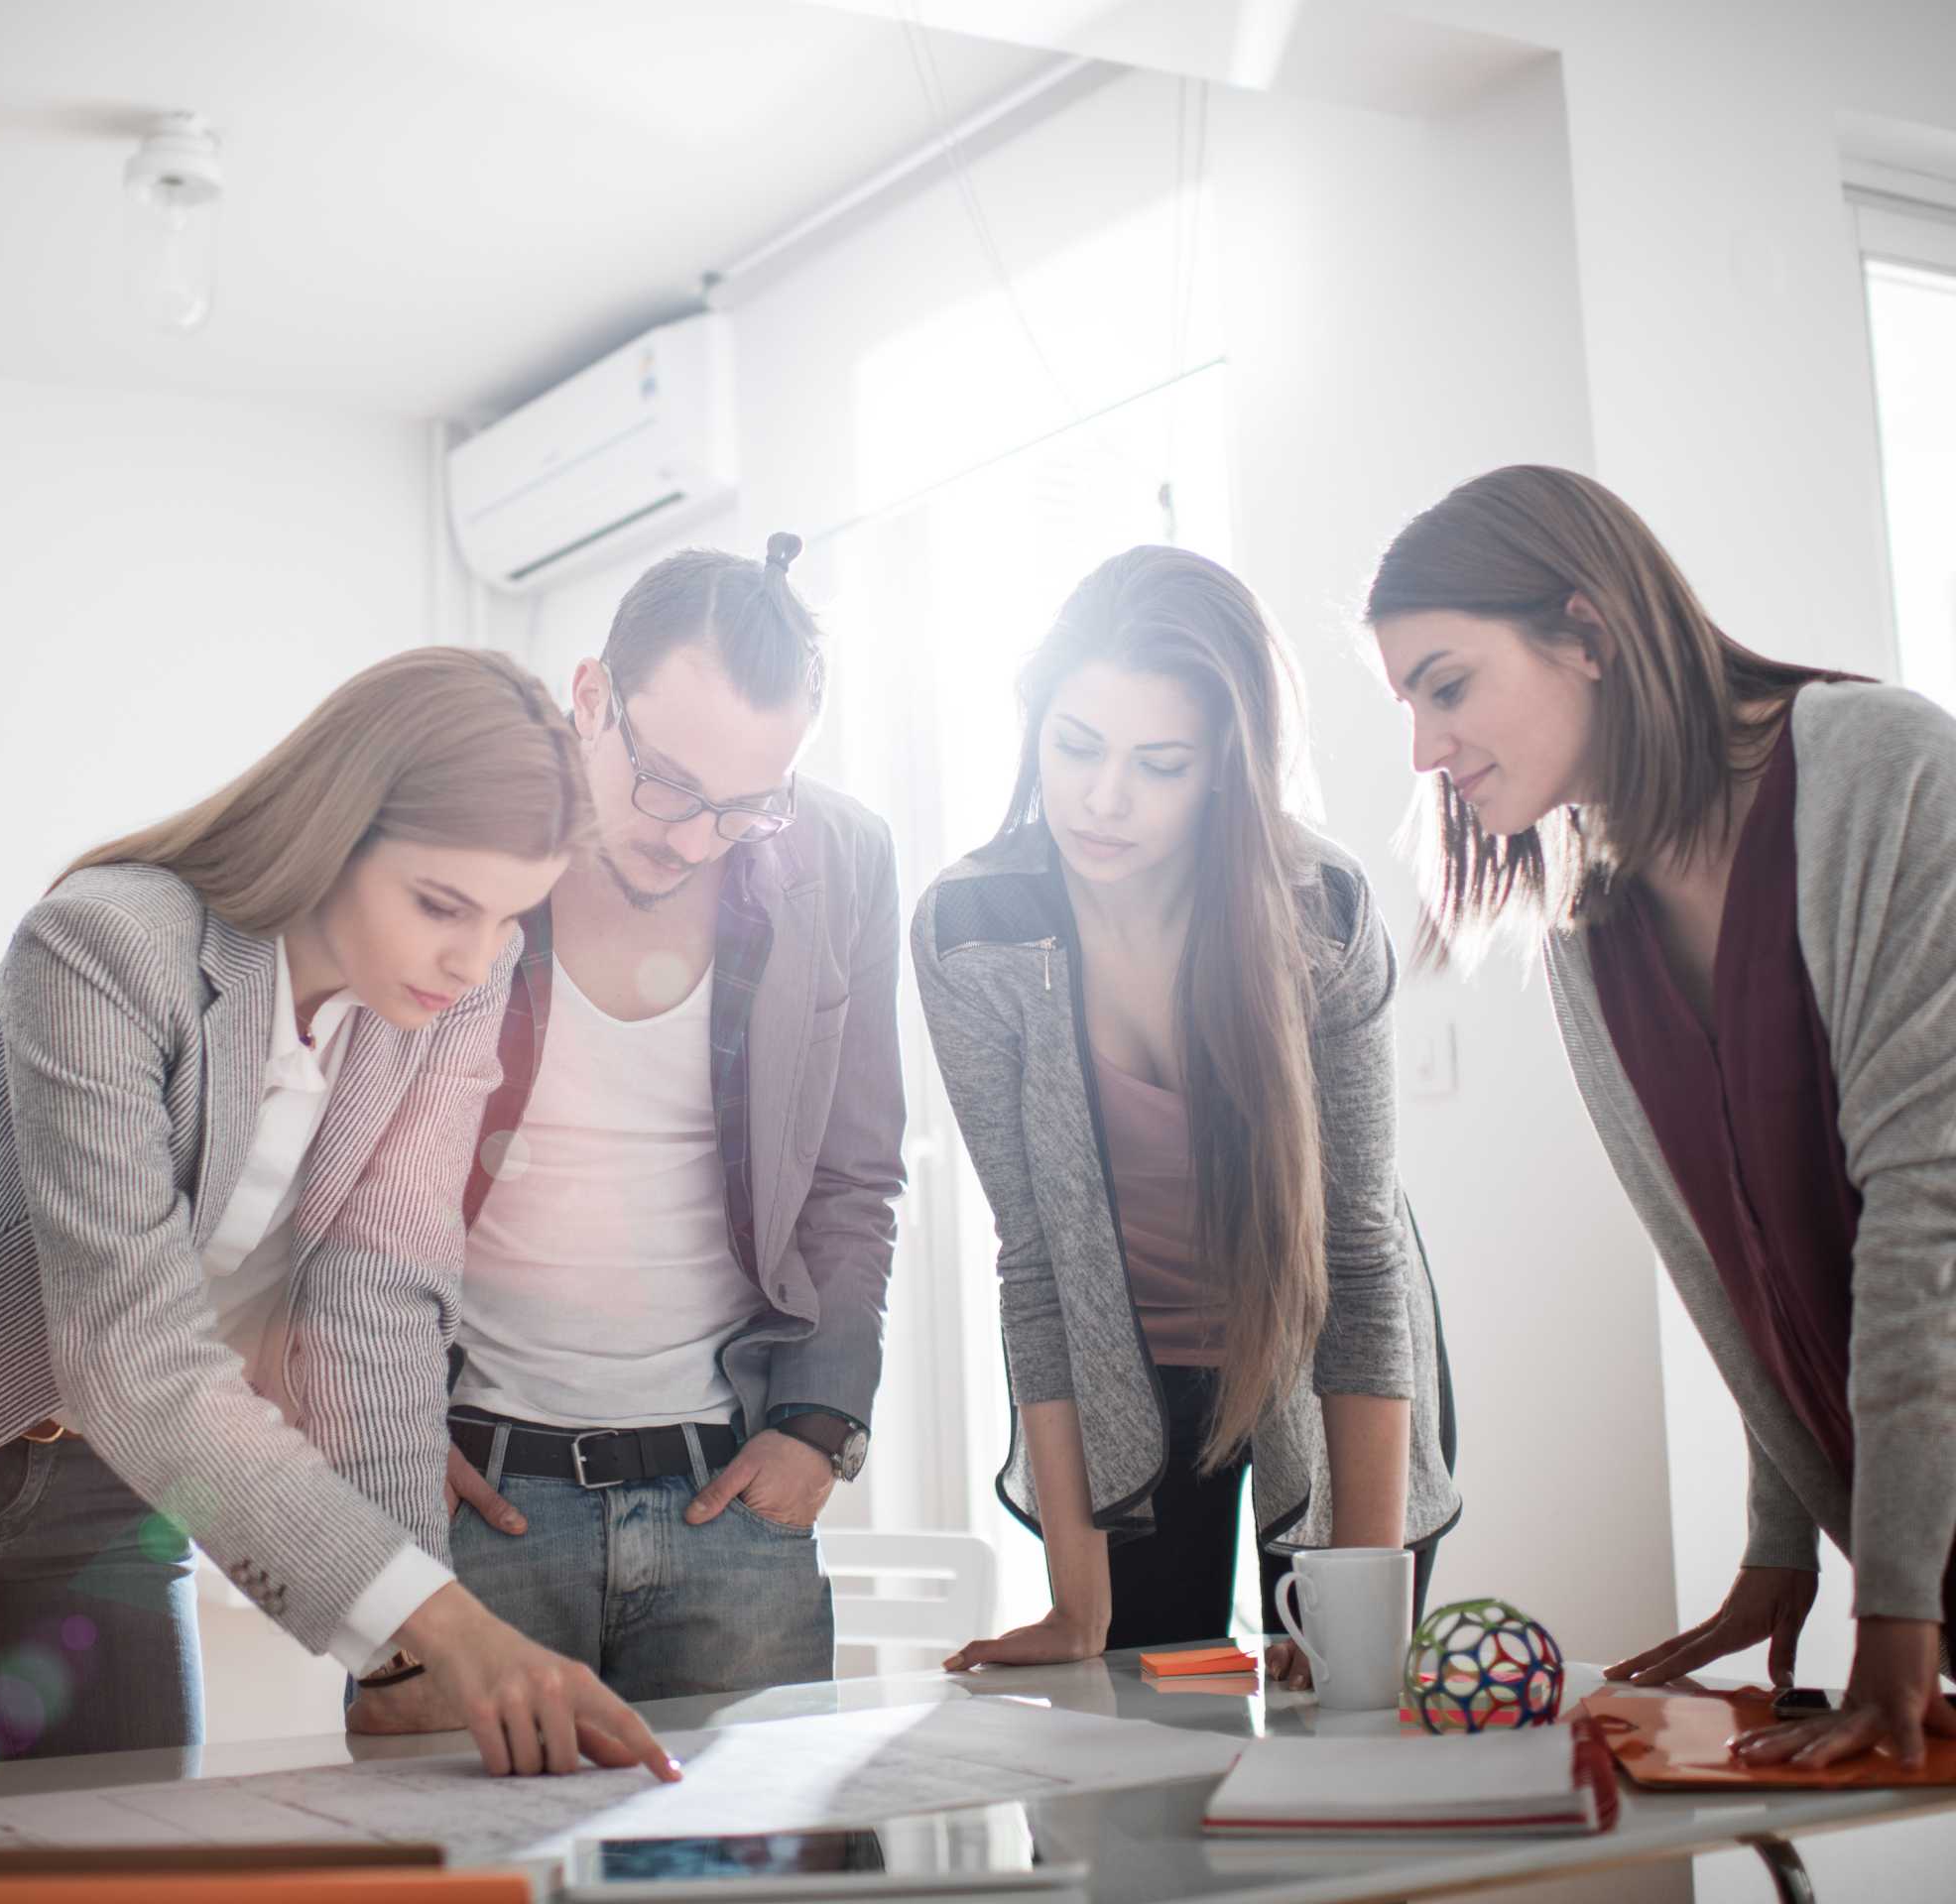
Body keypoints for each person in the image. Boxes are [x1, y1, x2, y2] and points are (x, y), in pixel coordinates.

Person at [0, 647, 676, 1783]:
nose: (473, 958)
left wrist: (403, 1657)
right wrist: (449, 1628)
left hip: (116, 1478)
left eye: (506, 919)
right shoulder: (104, 943)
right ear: (336, 829)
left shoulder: (452, 991)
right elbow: (131, 1348)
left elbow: (377, 1298)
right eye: (440, 904)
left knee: (137, 1859)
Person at [1370, 463, 1956, 1769]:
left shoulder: (1879, 766)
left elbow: (1930, 1220)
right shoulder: (1592, 920)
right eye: (1408, 703)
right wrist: (1781, 1546)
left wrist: (1897, 1611)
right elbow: (1746, 1256)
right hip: (1916, 1537)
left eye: (1447, 684)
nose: (1423, 749)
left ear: (1586, 632)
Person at [351, 536, 905, 1721]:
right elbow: (351, 1171)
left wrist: (817, 1425)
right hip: (468, 1495)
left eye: (745, 807)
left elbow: (853, 1177)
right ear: (590, 696)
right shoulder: (468, 850)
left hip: (732, 1505)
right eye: (665, 785)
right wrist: (383, 1434)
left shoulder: (841, 860)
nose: (693, 837)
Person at [916, 545, 1458, 1675]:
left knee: (1341, 1733)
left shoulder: (1322, 909)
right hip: (1129, 1377)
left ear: (1224, 766)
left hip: (1325, 1356)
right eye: (1075, 748)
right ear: (1034, 724)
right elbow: (1035, 1272)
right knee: (1146, 1765)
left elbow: (1359, 1265)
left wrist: (1360, 1613)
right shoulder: (975, 930)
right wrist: (1074, 1604)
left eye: (1157, 765)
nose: (1101, 800)